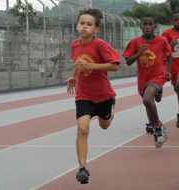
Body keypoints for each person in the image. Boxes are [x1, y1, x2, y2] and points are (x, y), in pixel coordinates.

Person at [66, 8, 120, 184]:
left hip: (102, 94)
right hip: (83, 94)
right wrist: (74, 76)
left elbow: (114, 65)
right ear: (77, 26)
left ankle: (110, 111)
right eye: (82, 23)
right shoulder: (74, 45)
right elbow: (79, 62)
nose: (84, 27)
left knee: (104, 125)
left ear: (95, 29)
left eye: (89, 25)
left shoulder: (100, 45)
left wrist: (93, 66)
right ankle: (82, 168)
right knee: (82, 129)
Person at [123, 15, 171, 148]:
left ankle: (158, 126)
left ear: (155, 27)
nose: (147, 27)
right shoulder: (135, 42)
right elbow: (128, 61)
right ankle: (157, 132)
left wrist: (168, 71)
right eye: (145, 24)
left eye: (150, 24)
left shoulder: (162, 41)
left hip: (158, 75)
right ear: (141, 27)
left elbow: (169, 54)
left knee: (147, 99)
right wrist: (139, 53)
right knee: (148, 105)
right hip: (143, 78)